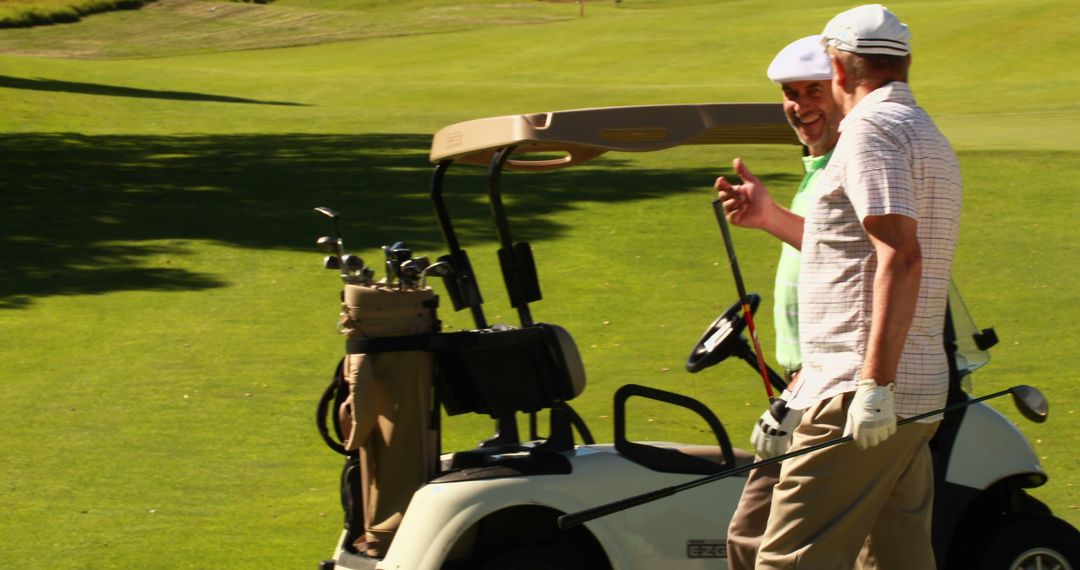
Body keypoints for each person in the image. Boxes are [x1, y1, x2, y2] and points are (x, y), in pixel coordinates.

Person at [754, 5, 963, 568]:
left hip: (860, 394)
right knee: (895, 559)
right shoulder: (924, 130)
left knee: (788, 561)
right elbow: (852, 270)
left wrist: (873, 385)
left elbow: (900, 254)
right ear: (906, 62)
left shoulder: (868, 131)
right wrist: (794, 400)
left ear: (838, 70)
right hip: (909, 394)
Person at [713, 35, 841, 570]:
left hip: (834, 387)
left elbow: (852, 253)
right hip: (801, 384)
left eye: (814, 90)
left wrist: (770, 218)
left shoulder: (849, 166)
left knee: (772, 545)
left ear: (843, 91)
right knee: (750, 536)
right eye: (791, 93)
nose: (800, 105)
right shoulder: (816, 170)